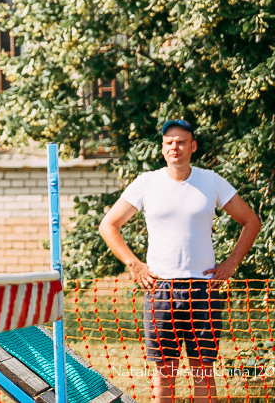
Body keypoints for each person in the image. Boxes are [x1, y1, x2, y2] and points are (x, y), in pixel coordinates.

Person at [99, 118, 261, 403]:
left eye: (181, 141)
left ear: (192, 146)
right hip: (161, 289)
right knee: (165, 371)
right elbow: (108, 225)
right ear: (163, 149)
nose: (175, 147)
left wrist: (230, 264)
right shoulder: (147, 183)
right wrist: (134, 264)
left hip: (203, 289)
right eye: (169, 142)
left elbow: (251, 221)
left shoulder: (210, 181)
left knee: (202, 370)